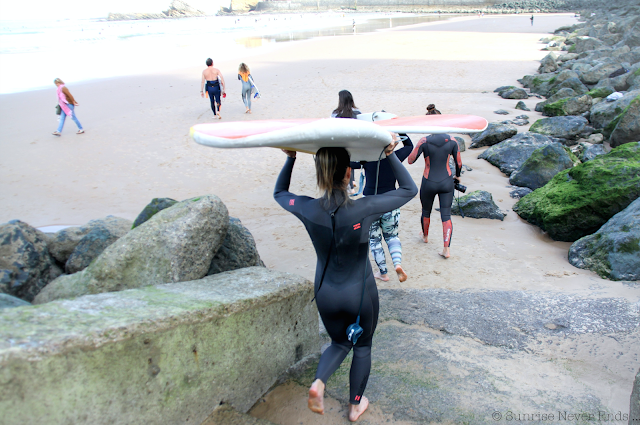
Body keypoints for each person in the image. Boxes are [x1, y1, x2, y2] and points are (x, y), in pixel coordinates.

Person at [274, 140, 417, 422]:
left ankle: (319, 383)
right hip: (358, 293)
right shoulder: (365, 207)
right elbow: (410, 190)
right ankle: (354, 406)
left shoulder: (305, 208)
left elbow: (280, 192)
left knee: (339, 343)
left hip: (325, 292)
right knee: (362, 346)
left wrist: (290, 159)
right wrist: (390, 155)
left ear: (320, 174)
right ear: (349, 173)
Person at [350, 134, 413, 282]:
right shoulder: (396, 156)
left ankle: (383, 273)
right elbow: (409, 146)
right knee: (392, 236)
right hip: (391, 202)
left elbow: (349, 162)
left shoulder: (367, 158)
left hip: (369, 203)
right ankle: (397, 264)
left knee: (374, 240)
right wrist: (400, 130)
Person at [408, 134, 462, 259]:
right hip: (446, 182)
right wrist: (457, 176)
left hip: (429, 181)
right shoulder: (453, 140)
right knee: (446, 215)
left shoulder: (424, 141)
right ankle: (446, 249)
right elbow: (458, 163)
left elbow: (410, 160)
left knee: (426, 211)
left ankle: (425, 236)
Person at [331, 90, 361, 193]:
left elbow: (333, 128)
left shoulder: (336, 113)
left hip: (341, 141)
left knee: (343, 163)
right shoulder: (357, 112)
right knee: (351, 160)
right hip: (354, 141)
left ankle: (349, 186)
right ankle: (352, 182)